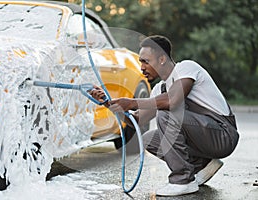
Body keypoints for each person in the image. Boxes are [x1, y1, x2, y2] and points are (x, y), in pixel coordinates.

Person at [90, 35, 239, 196]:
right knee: (149, 139)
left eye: (145, 61)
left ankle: (183, 180)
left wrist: (132, 102)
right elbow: (137, 120)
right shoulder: (159, 90)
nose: (142, 67)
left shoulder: (186, 68)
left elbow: (173, 100)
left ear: (162, 59)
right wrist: (109, 104)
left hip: (223, 135)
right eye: (140, 62)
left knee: (166, 113)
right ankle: (202, 164)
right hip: (205, 137)